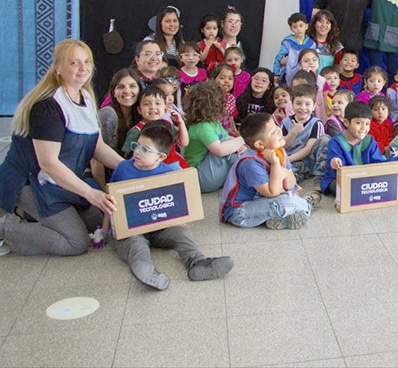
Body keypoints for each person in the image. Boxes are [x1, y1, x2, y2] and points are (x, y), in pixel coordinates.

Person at [0, 39, 121, 256]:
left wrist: (129, 167)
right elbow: (49, 163)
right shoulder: (47, 107)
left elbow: (97, 146)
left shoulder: (85, 96)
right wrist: (91, 193)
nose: (83, 68)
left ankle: (27, 215)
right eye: (74, 63)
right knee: (75, 242)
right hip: (32, 183)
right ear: (58, 68)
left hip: (60, 182)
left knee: (98, 218)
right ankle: (5, 228)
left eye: (87, 62)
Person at [110, 121, 233, 290]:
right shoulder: (123, 169)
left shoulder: (170, 172)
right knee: (135, 245)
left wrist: (179, 218)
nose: (137, 152)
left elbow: (178, 202)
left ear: (160, 157)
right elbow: (112, 200)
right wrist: (107, 228)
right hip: (133, 229)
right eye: (136, 146)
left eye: (145, 149)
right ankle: (147, 271)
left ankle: (198, 262)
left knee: (182, 233)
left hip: (161, 225)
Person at [220, 113, 322, 230]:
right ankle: (306, 205)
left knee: (289, 196)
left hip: (261, 200)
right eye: (273, 132)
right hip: (239, 211)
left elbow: (290, 184)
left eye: (276, 126)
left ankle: (279, 218)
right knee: (286, 201)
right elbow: (273, 192)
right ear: (259, 144)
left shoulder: (278, 150)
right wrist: (275, 165)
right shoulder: (250, 163)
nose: (279, 131)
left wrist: (282, 170)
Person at [182, 80, 248, 193]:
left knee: (230, 143)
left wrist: (242, 146)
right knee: (227, 142)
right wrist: (242, 139)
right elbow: (220, 150)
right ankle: (251, 173)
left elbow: (231, 144)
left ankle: (250, 170)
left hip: (211, 174)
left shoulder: (214, 122)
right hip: (199, 177)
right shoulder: (202, 126)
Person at [323, 101, 391, 196]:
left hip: (365, 178)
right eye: (358, 123)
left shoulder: (369, 141)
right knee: (339, 187)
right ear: (346, 122)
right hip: (344, 178)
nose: (364, 128)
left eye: (367, 124)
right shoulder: (336, 142)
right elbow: (335, 162)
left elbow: (378, 162)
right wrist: (336, 161)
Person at [282, 84, 330, 182]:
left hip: (308, 160)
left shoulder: (316, 123)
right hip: (291, 160)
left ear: (314, 106)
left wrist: (287, 160)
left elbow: (309, 148)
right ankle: (300, 176)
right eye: (298, 103)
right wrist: (293, 132)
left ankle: (319, 176)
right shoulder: (286, 122)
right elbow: (283, 146)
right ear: (292, 104)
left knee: (326, 139)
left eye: (307, 104)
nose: (303, 108)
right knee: (284, 178)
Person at [97, 68, 142, 154]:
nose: (127, 91)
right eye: (121, 87)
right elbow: (98, 154)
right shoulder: (107, 114)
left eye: (132, 86)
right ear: (113, 93)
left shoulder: (141, 113)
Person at [273, 12, 314, 86]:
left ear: (306, 26)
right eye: (295, 27)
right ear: (291, 29)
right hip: (288, 73)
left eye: (301, 26)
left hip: (306, 74)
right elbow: (279, 58)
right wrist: (276, 73)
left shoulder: (311, 43)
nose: (298, 29)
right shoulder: (288, 42)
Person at [221, 5, 258, 71]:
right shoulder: (215, 44)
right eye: (230, 21)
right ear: (222, 23)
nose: (234, 25)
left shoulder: (246, 47)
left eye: (237, 22)